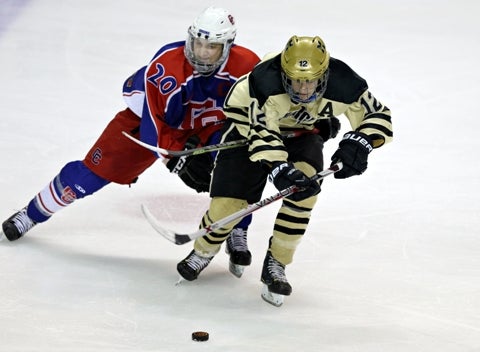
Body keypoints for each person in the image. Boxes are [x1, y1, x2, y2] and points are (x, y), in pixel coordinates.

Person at [1, 7, 260, 277]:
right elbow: (153, 128)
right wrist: (177, 161)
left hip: (208, 127)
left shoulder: (246, 67)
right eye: (199, 43)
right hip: (148, 123)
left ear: (228, 45)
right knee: (90, 174)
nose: (203, 52)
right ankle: (31, 213)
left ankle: (237, 229)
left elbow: (256, 115)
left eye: (212, 46)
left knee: (239, 165)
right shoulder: (166, 67)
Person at [176, 35, 393, 306]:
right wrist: (278, 168)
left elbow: (378, 115)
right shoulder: (262, 83)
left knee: (303, 196)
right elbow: (262, 132)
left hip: (303, 135)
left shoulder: (344, 83)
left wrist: (361, 141)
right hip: (249, 133)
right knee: (229, 203)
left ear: (324, 74)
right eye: (296, 80)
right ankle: (205, 249)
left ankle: (277, 262)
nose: (303, 89)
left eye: (310, 80)